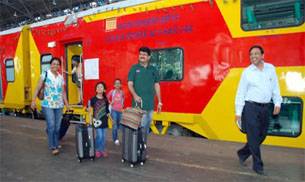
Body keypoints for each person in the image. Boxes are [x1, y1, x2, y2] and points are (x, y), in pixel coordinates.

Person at [235, 45, 282, 175]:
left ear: (263, 55)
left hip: (265, 107)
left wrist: (277, 102)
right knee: (254, 136)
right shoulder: (247, 72)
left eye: (256, 54)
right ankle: (258, 165)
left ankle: (243, 153)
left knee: (262, 135)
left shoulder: (270, 69)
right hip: (250, 107)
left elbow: (275, 87)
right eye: (251, 54)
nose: (253, 56)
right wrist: (238, 113)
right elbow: (240, 93)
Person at [31, 57, 69, 155]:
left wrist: (67, 104)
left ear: (59, 66)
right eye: (53, 64)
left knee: (57, 127)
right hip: (47, 104)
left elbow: (63, 92)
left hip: (59, 105)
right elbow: (37, 88)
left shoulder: (61, 77)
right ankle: (53, 146)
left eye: (57, 64)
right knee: (52, 125)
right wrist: (33, 101)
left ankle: (53, 138)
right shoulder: (45, 74)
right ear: (50, 65)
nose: (55, 66)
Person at [128, 46, 162, 138]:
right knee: (139, 127)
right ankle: (137, 147)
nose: (142, 56)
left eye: (144, 54)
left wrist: (159, 101)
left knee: (146, 127)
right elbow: (130, 84)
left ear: (149, 57)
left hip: (150, 104)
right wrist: (135, 95)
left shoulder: (153, 69)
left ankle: (142, 145)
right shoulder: (134, 68)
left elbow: (157, 85)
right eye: (140, 54)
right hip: (138, 105)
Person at [89, 82, 109, 158]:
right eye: (98, 87)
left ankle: (102, 149)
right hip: (96, 121)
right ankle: (97, 149)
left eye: (101, 87)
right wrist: (90, 121)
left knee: (103, 136)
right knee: (99, 136)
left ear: (104, 90)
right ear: (96, 90)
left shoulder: (105, 99)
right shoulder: (92, 99)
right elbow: (90, 111)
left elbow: (107, 110)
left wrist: (110, 117)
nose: (99, 88)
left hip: (104, 121)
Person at [107, 78, 124, 146]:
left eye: (118, 83)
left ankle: (123, 139)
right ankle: (115, 139)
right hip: (114, 111)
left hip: (120, 111)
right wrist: (110, 102)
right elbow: (107, 98)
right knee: (115, 126)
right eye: (116, 83)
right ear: (114, 85)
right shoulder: (112, 92)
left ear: (120, 85)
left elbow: (123, 99)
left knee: (121, 126)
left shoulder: (122, 92)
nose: (117, 84)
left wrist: (122, 105)